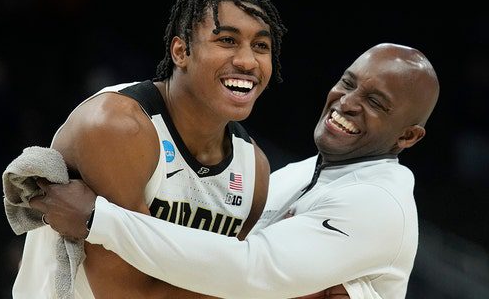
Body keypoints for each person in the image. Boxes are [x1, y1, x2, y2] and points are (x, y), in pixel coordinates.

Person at [32, 42, 440, 299]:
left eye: (376, 102)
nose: (347, 102)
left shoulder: (379, 204)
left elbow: (249, 271)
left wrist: (96, 219)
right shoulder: (297, 175)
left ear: (408, 136)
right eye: (348, 83)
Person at [12, 0, 289, 298]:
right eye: (227, 40)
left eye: (261, 46)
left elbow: (229, 279)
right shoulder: (117, 126)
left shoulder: (255, 170)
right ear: (181, 51)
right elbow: (129, 292)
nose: (248, 61)